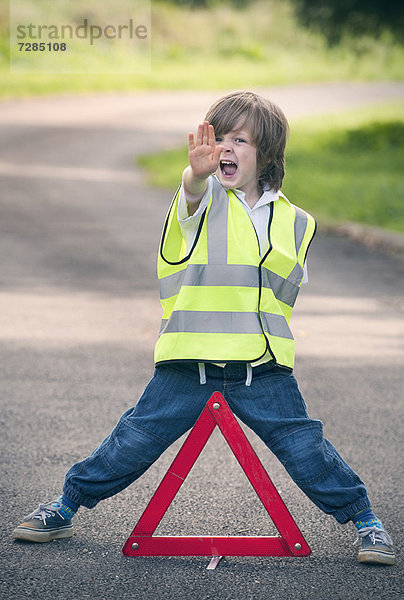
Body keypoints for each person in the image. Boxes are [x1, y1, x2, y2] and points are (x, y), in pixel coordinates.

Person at [13, 91, 394, 565]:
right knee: (133, 440)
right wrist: (195, 172)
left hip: (261, 368)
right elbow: (192, 190)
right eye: (221, 139)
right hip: (190, 361)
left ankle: (367, 523)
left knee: (305, 447)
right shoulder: (204, 197)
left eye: (241, 140)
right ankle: (64, 507)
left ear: (268, 154)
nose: (227, 150)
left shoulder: (298, 222)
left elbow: (283, 294)